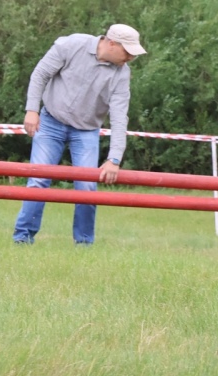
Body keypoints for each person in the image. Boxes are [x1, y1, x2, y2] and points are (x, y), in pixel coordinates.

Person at [12, 24, 146, 245]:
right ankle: (22, 239)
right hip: (50, 121)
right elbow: (40, 74)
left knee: (87, 187)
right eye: (128, 51)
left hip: (86, 131)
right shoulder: (71, 44)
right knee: (38, 180)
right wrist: (32, 110)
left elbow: (120, 116)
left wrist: (114, 158)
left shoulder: (122, 74)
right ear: (111, 43)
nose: (131, 57)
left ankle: (84, 244)